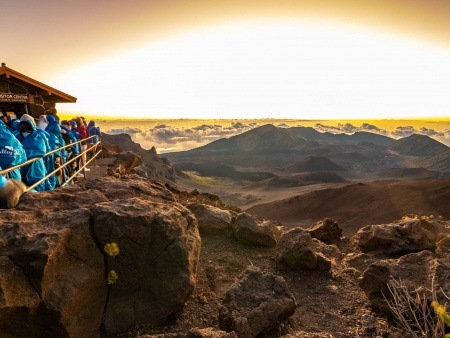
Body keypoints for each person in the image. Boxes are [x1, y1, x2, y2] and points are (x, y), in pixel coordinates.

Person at [15, 115, 48, 192]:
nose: (25, 132)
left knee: (35, 187)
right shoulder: (39, 134)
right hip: (34, 165)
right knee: (36, 186)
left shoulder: (17, 135)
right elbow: (45, 149)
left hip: (29, 165)